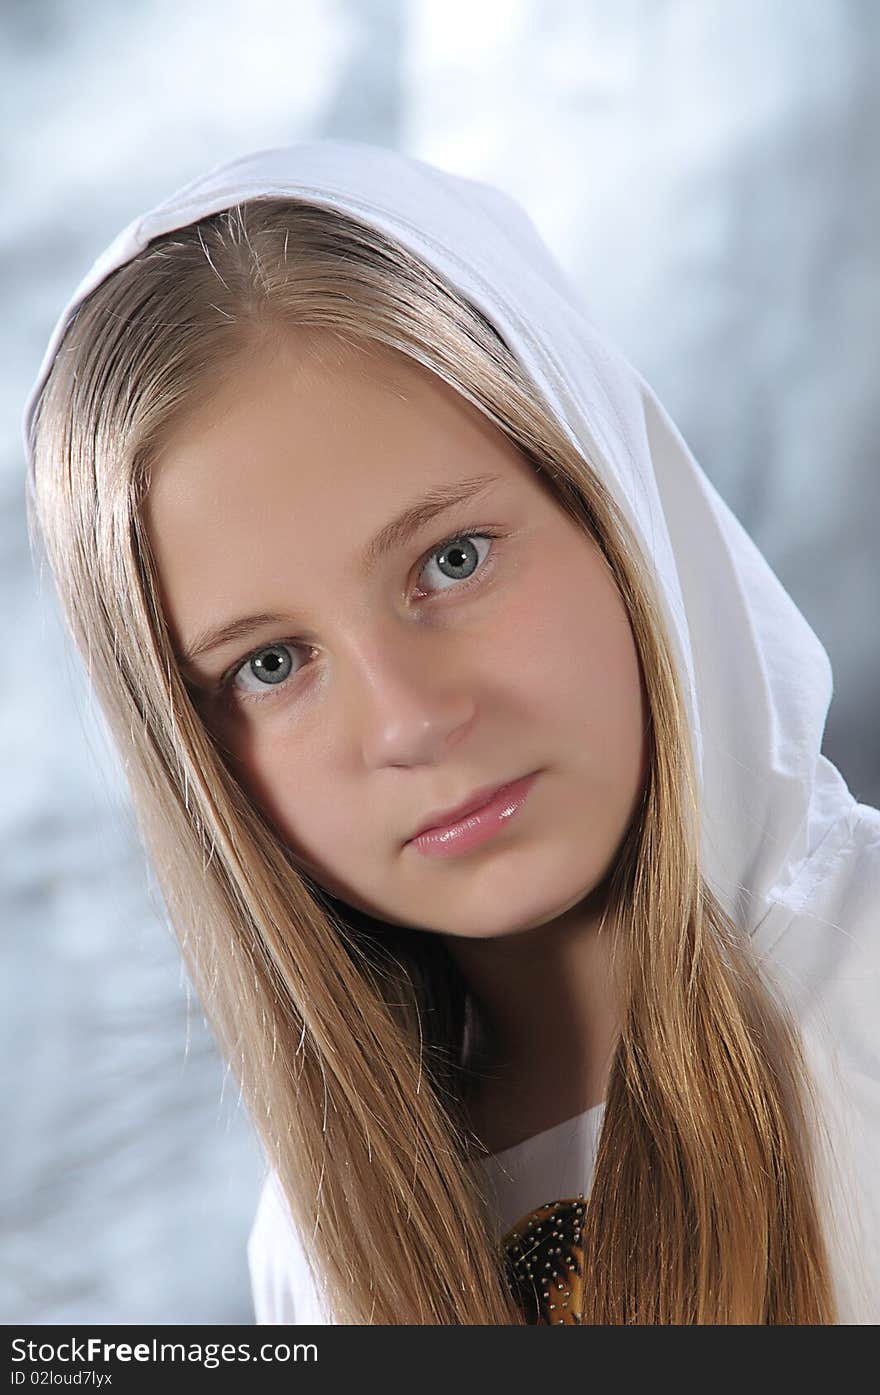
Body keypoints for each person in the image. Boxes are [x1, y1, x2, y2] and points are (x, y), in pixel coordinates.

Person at [21, 139, 879, 1325]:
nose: (412, 722)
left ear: (613, 505)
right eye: (270, 665)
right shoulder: (319, 1254)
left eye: (451, 561)